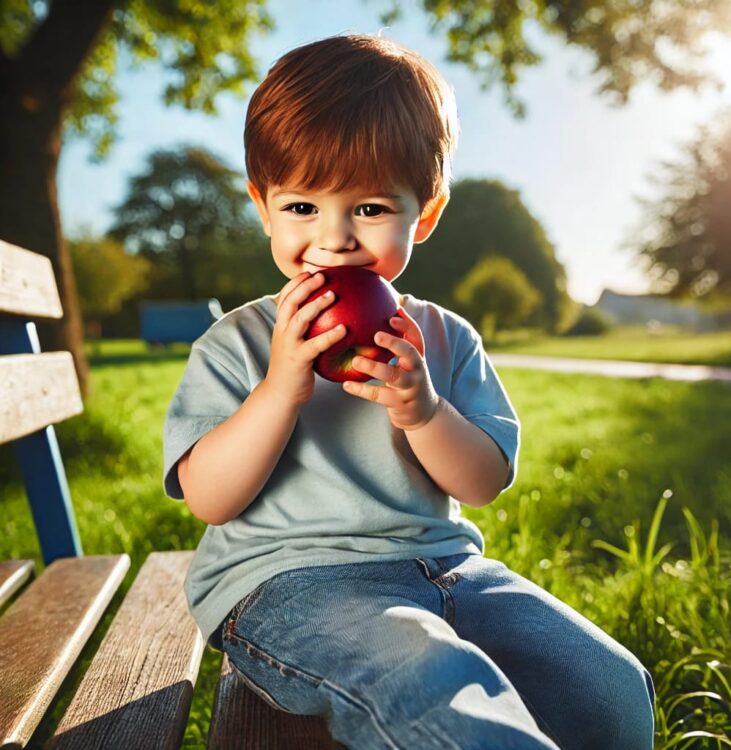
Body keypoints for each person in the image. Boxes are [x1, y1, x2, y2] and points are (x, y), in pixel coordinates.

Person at [163, 33, 654, 749]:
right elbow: (210, 497)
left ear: (422, 214)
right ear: (263, 207)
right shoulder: (237, 343)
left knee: (608, 688)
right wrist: (278, 390)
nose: (333, 240)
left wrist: (422, 411)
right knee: (426, 676)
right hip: (291, 586)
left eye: (367, 208)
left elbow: (483, 481)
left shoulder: (443, 339)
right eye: (302, 207)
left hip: (450, 571)